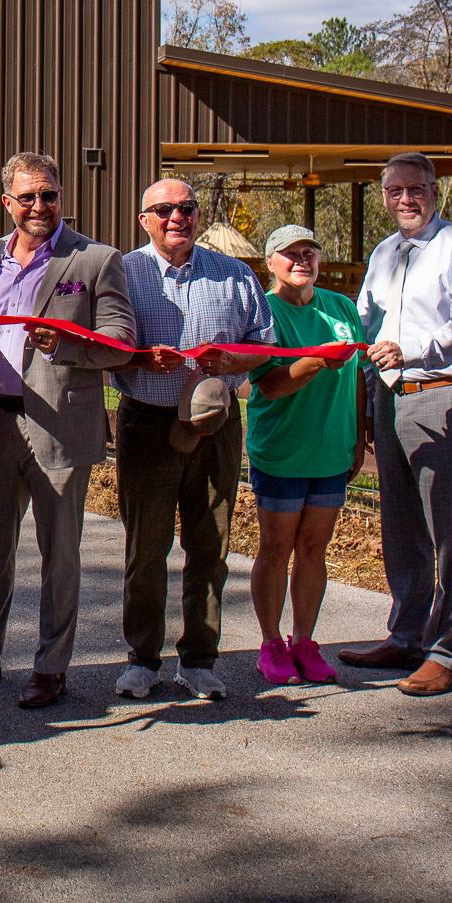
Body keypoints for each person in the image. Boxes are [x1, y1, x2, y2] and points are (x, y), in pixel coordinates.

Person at [0, 151, 136, 711]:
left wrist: (69, 344)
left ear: (62, 197)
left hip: (59, 424)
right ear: (6, 202)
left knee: (59, 554)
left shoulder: (95, 259)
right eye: (27, 197)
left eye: (49, 195)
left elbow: (121, 340)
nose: (39, 206)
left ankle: (51, 666)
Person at [112, 178, 274, 703]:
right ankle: (141, 658)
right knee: (146, 547)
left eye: (185, 207)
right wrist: (139, 357)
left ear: (198, 215)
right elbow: (101, 346)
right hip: (146, 422)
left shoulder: (232, 275)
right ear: (145, 219)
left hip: (216, 425)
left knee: (210, 545)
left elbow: (264, 346)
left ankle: (200, 659)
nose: (176, 217)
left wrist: (232, 361)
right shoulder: (123, 273)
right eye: (163, 209)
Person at [345, 152, 452, 696]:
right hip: (390, 398)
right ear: (383, 196)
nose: (405, 200)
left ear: (437, 191)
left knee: (447, 528)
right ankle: (407, 635)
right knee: (401, 524)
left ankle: (446, 651)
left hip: (441, 394)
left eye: (416, 189)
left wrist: (412, 352)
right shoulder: (385, 254)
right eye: (394, 191)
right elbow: (364, 323)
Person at [243, 224, 366, 687]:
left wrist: (357, 437)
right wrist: (316, 361)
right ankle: (271, 643)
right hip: (282, 451)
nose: (301, 260)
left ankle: (305, 641)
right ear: (269, 263)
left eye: (309, 252)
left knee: (314, 550)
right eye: (289, 253)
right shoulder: (264, 312)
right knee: (276, 548)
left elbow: (356, 376)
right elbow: (270, 385)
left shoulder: (342, 308)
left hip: (332, 449)